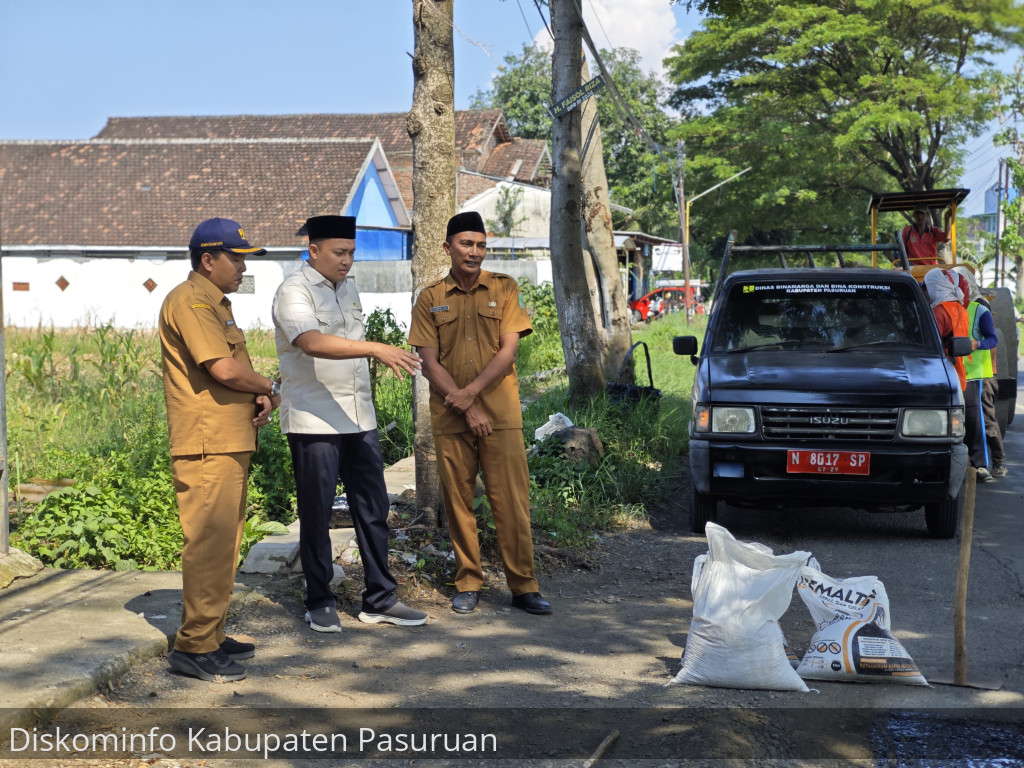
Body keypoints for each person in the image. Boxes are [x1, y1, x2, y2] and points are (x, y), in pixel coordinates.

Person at [273, 215, 427, 633]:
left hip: (358, 417)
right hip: (314, 420)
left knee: (373, 507)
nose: (347, 261)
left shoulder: (348, 288)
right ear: (314, 251)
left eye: (352, 253)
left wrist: (370, 353)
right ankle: (319, 599)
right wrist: (376, 348)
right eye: (339, 252)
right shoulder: (294, 290)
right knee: (317, 511)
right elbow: (310, 341)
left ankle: (380, 598)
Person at [408, 211, 551, 616]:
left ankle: (524, 586)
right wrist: (467, 406)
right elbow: (429, 362)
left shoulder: (504, 288)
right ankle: (468, 581)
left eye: (481, 245)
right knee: (458, 501)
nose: (474, 252)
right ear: (448, 247)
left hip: (500, 412)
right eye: (466, 244)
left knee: (511, 500)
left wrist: (470, 396)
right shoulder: (430, 298)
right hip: (451, 414)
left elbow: (509, 351)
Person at [159, 217, 281, 682]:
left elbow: (233, 371)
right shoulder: (191, 301)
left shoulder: (216, 303)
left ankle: (210, 633)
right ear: (208, 260)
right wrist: (270, 385)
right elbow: (223, 369)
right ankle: (194, 646)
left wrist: (260, 395)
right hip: (207, 441)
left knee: (225, 542)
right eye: (237, 259)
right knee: (210, 543)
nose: (243, 268)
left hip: (227, 439)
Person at [953, 267, 1006, 481]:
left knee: (985, 420)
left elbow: (992, 341)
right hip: (962, 374)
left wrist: (991, 368)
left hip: (981, 375)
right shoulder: (953, 307)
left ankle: (998, 462)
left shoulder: (979, 306)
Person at [923, 268, 969, 391]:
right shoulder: (961, 309)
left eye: (927, 288)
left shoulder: (939, 311)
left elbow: (931, 344)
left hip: (941, 374)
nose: (926, 292)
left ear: (934, 287)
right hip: (958, 372)